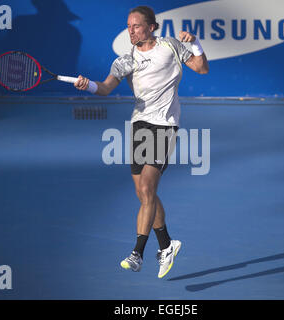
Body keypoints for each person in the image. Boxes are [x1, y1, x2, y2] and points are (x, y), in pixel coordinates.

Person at [74, 5, 209, 278]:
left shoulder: (170, 46)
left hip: (165, 126)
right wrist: (87, 84)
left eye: (136, 26)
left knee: (147, 187)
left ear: (150, 27)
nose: (131, 30)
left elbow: (202, 68)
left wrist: (195, 44)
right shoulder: (125, 60)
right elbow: (105, 88)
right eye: (128, 26)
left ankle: (137, 253)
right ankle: (167, 245)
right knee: (143, 193)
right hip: (139, 126)